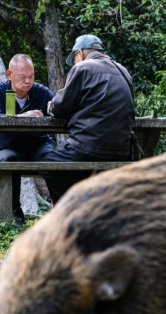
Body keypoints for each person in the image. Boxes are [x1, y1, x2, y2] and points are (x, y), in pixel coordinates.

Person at [42, 34, 134, 204]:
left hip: (88, 148)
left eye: (74, 59)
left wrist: (50, 106)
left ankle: (68, 213)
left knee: (49, 166)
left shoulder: (83, 67)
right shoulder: (123, 71)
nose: (74, 63)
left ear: (79, 53)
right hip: (122, 151)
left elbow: (61, 107)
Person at [0, 54, 55, 222]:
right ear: (9, 74)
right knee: (7, 161)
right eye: (23, 77)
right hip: (8, 147)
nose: (28, 81)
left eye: (31, 76)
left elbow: (59, 112)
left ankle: (61, 212)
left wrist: (55, 108)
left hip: (38, 145)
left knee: (55, 159)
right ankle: (13, 213)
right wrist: (23, 116)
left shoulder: (42, 92)